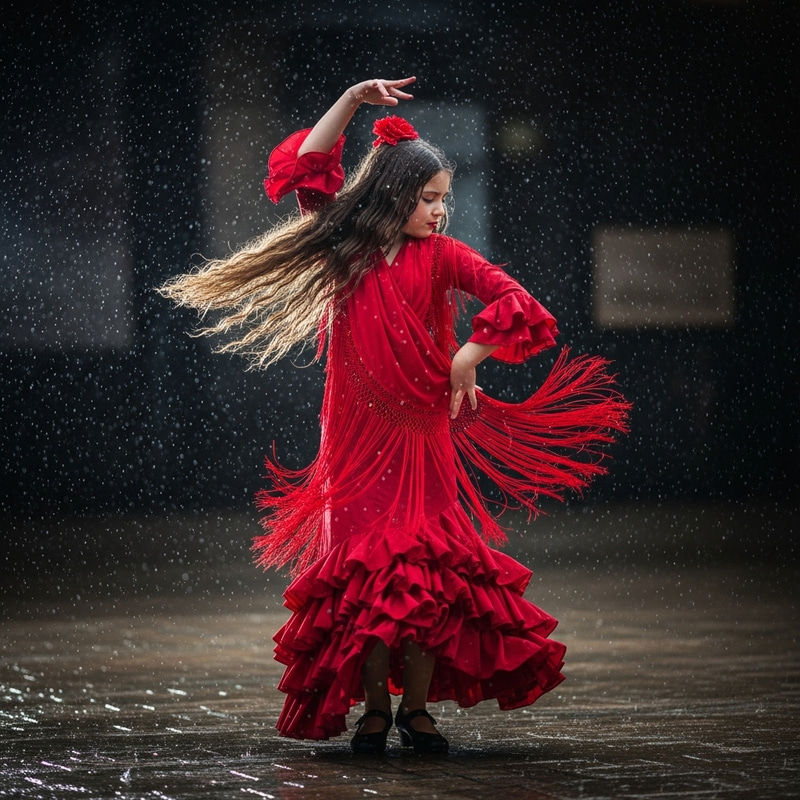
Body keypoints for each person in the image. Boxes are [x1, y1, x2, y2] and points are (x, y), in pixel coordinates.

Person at [159, 77, 629, 755]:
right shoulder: (344, 246)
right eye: (428, 198)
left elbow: (520, 305)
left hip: (421, 434)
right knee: (364, 580)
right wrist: (352, 100)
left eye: (444, 199)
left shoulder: (445, 257)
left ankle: (416, 709)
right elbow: (307, 166)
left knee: (425, 577)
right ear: (392, 193)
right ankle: (376, 709)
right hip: (356, 438)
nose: (440, 211)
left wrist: (467, 357)